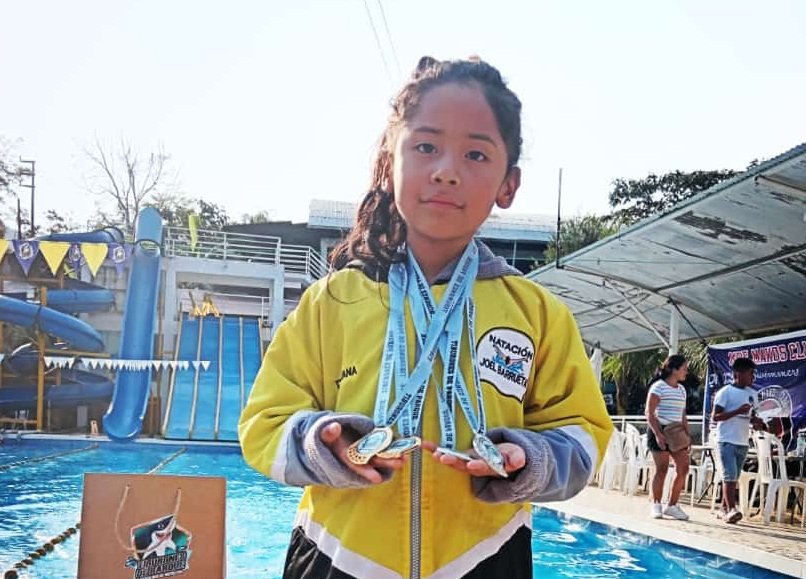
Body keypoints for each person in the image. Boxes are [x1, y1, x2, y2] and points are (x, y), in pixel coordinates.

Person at [239, 56, 612, 579]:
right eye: (426, 147)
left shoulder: (536, 312)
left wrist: (531, 458)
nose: (446, 171)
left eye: (476, 154)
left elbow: (583, 432)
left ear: (509, 184)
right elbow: (263, 424)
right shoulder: (333, 301)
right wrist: (323, 442)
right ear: (392, 165)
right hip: (336, 557)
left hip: (487, 558)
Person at [711, 357, 765, 523]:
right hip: (726, 440)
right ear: (737, 374)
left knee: (734, 476)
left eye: (753, 373)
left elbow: (753, 417)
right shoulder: (725, 392)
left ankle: (723, 509)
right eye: (750, 373)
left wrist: (757, 423)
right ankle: (732, 509)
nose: (752, 377)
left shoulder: (752, 394)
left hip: (742, 441)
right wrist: (737, 411)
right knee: (730, 476)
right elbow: (716, 416)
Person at [645, 354, 691, 520]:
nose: (686, 371)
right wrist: (658, 434)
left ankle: (672, 505)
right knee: (661, 469)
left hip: (677, 432)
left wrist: (687, 435)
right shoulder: (658, 387)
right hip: (660, 429)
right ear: (674, 369)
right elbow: (649, 413)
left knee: (684, 468)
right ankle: (656, 503)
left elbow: (682, 414)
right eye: (684, 368)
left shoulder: (682, 390)